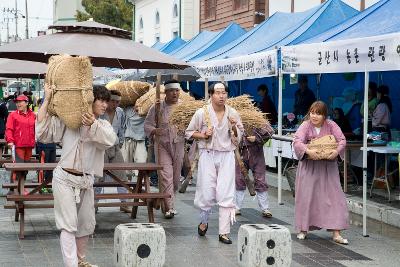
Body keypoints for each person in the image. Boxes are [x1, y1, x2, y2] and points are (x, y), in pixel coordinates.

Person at [36, 84, 116, 267]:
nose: (105, 105)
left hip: (86, 181)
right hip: (64, 178)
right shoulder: (69, 120)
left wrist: (93, 124)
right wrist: (47, 99)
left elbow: (109, 140)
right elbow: (42, 132)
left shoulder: (102, 124)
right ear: (90, 100)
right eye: (101, 100)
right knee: (68, 224)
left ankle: (80, 261)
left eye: (106, 101)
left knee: (86, 224)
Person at [185, 82, 243, 245]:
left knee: (226, 192)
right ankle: (203, 221)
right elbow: (189, 133)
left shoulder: (233, 113)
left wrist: (234, 127)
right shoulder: (201, 113)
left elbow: (239, 137)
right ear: (211, 94)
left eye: (224, 92)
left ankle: (224, 232)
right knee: (207, 191)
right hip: (207, 154)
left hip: (226, 155)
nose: (221, 96)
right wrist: (203, 135)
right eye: (218, 93)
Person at [293, 101, 349, 245]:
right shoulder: (305, 125)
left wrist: (336, 151)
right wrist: (308, 150)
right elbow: (297, 141)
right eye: (312, 112)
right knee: (307, 197)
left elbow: (342, 140)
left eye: (318, 113)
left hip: (328, 167)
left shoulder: (331, 125)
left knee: (335, 197)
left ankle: (336, 232)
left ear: (324, 115)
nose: (314, 116)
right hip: (309, 167)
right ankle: (303, 229)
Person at [144, 80, 185, 219]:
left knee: (175, 176)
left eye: (177, 90)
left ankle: (167, 200)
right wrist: (155, 130)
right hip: (162, 145)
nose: (175, 93)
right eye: (172, 90)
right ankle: (169, 208)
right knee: (165, 175)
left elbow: (193, 125)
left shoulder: (184, 108)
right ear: (165, 92)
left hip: (178, 143)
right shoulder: (156, 108)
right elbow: (147, 125)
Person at [97, 89, 129, 213]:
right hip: (101, 147)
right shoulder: (101, 112)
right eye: (113, 101)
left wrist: (120, 142)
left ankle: (124, 202)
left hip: (115, 146)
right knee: (99, 175)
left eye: (118, 102)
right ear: (108, 101)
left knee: (121, 174)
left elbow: (122, 128)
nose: (115, 104)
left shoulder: (120, 112)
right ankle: (94, 203)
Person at [235, 123, 274, 217]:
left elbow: (270, 132)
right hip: (240, 153)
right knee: (239, 179)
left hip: (256, 152)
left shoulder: (257, 120)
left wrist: (256, 138)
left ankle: (265, 208)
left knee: (260, 179)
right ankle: (236, 207)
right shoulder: (234, 118)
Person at [5, 94, 36, 164]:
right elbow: (9, 129)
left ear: (27, 103)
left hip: (29, 146)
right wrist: (10, 140)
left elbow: (36, 129)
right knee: (18, 169)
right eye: (17, 102)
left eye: (20, 102)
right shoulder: (12, 115)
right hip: (18, 146)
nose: (18, 104)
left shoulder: (33, 115)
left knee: (26, 169)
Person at [121, 104, 147, 183]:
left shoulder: (146, 108)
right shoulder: (127, 109)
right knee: (125, 168)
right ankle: (127, 189)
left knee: (141, 165)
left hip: (141, 140)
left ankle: (139, 188)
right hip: (127, 139)